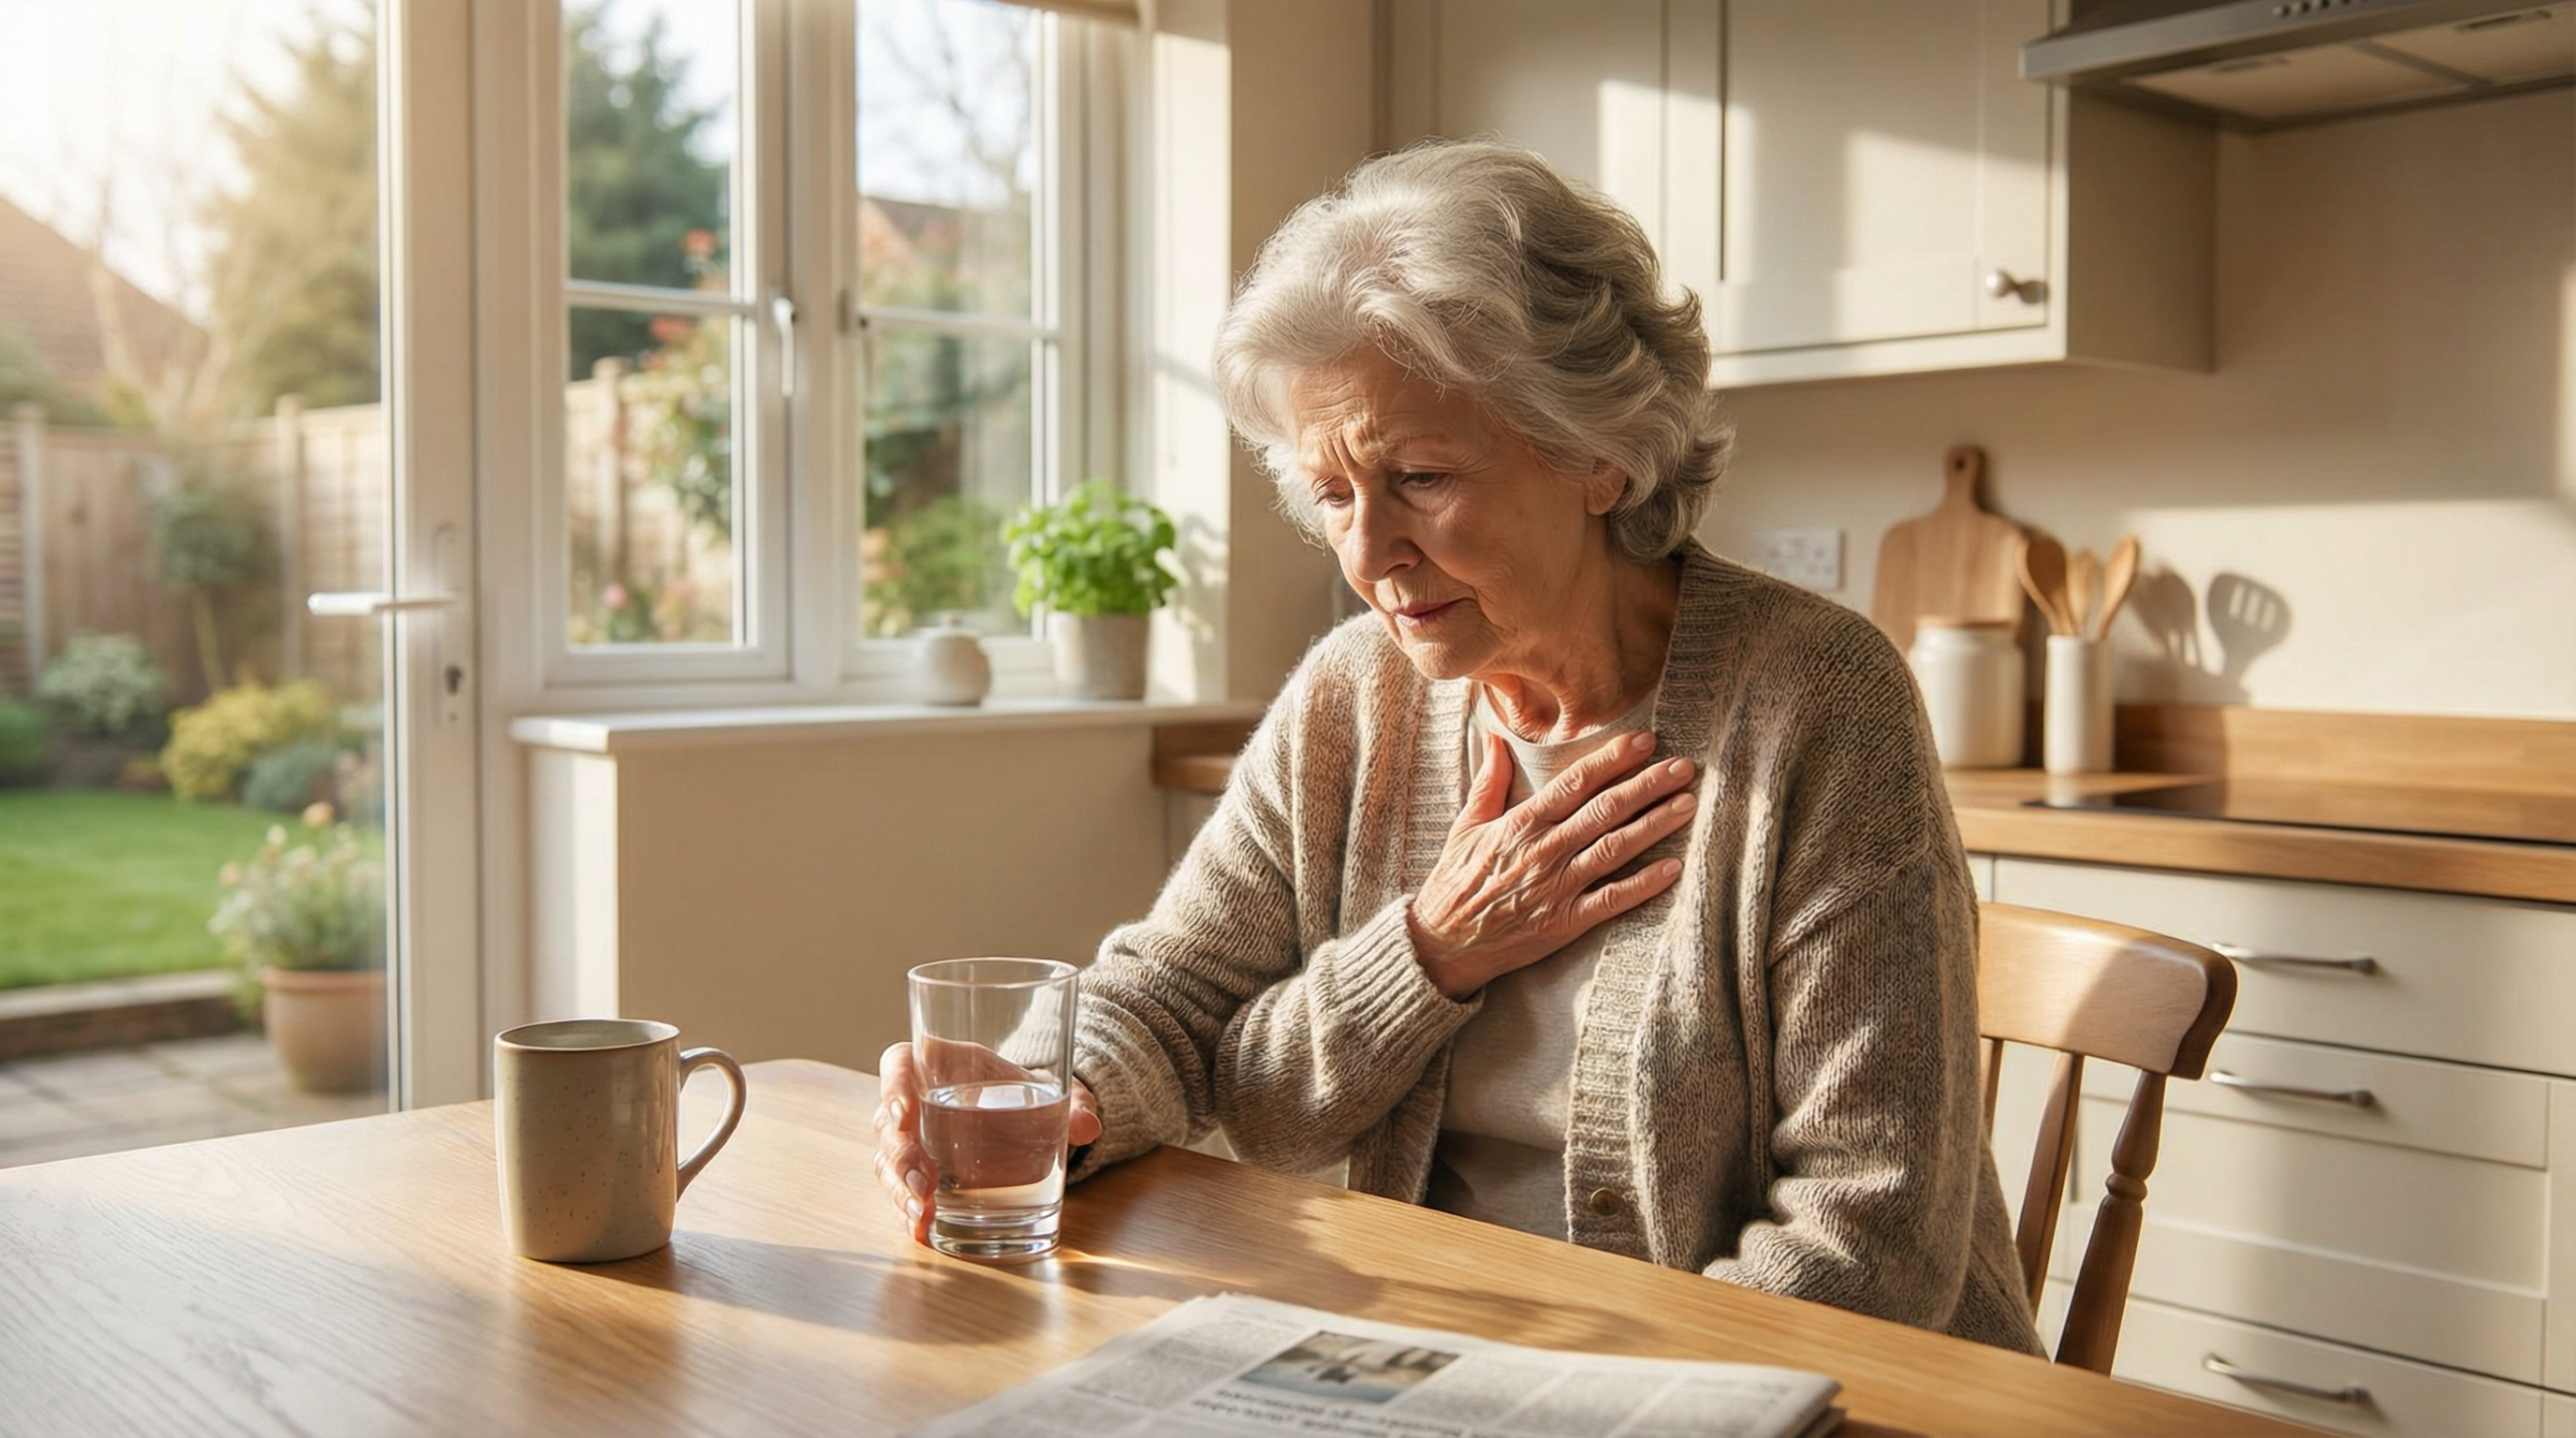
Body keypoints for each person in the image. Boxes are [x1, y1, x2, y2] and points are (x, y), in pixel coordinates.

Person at [875, 139, 2044, 1356]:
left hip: (1806, 1395)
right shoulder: (1354, 699)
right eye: (1333, 493)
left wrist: (1586, 1397)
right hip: (1448, 1363)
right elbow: (1174, 1003)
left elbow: (1870, 1240)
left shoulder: (1817, 705)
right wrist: (1039, 1096)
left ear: (1601, 453)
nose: (1370, 553)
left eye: (1421, 476)